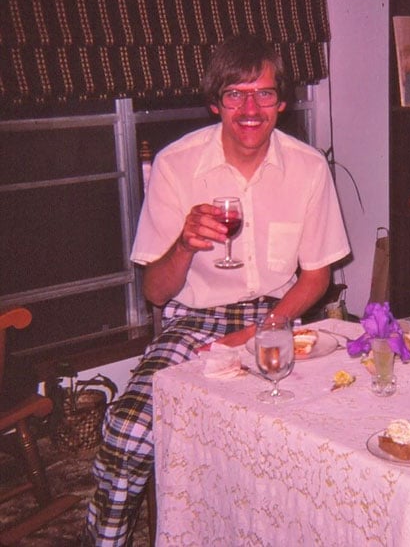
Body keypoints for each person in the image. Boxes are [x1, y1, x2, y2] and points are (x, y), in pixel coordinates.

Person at [83, 34, 351, 546]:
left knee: (324, 434)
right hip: (197, 321)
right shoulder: (176, 165)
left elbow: (316, 276)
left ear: (283, 101)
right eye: (235, 94)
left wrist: (260, 329)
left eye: (264, 93)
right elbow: (157, 293)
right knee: (127, 433)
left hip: (279, 317)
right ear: (215, 101)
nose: (250, 108)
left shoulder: (309, 168)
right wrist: (184, 243)